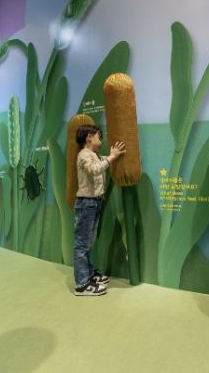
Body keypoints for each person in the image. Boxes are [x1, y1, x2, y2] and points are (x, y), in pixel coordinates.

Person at [73, 125, 126, 296]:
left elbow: (101, 161)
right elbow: (94, 170)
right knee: (82, 245)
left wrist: (111, 155)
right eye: (99, 136)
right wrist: (112, 157)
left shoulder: (94, 155)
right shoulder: (84, 155)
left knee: (88, 242)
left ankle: (88, 275)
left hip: (94, 203)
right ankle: (81, 285)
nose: (101, 139)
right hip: (86, 203)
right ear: (89, 137)